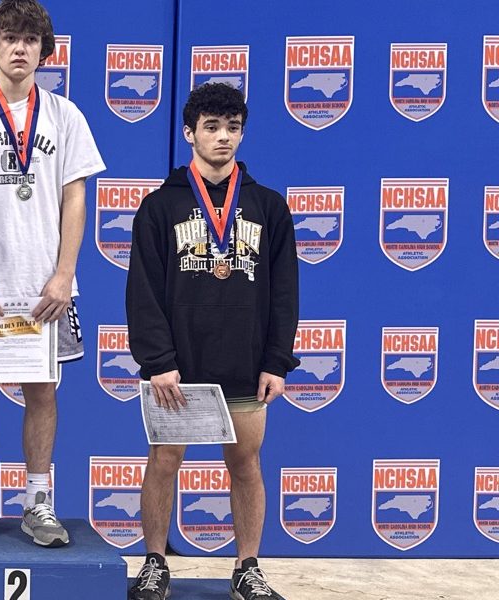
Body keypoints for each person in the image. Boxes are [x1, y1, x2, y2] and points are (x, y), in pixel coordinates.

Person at [0, 0, 104, 548]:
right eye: (10, 38)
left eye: (30, 40)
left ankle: (38, 502)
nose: (20, 48)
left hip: (44, 287)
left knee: (43, 392)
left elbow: (75, 199)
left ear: (44, 51)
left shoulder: (65, 115)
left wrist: (64, 275)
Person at [125, 82, 299, 600]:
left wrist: (277, 361)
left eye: (233, 128)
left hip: (245, 361)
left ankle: (247, 568)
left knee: (246, 464)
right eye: (212, 127)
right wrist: (158, 359)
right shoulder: (160, 207)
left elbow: (285, 292)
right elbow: (142, 291)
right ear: (189, 133)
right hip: (178, 366)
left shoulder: (269, 207)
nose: (224, 137)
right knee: (164, 460)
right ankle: (154, 563)